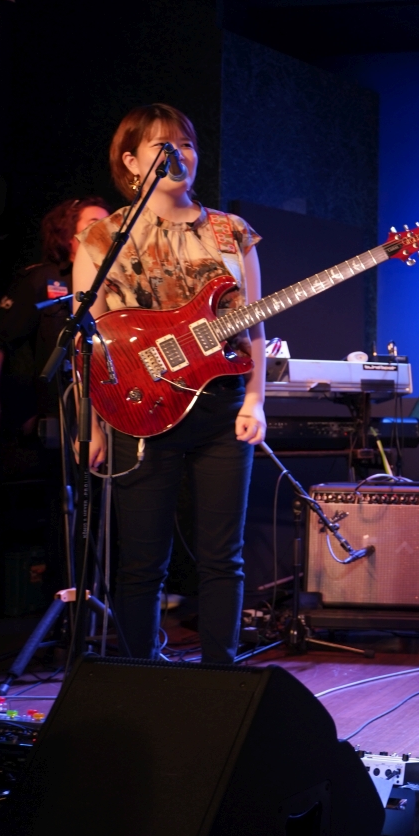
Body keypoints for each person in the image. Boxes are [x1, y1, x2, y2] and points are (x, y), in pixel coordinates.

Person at [73, 103, 266, 665]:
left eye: (185, 143)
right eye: (162, 145)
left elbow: (253, 323)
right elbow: (90, 341)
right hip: (137, 408)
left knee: (223, 558)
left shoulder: (231, 232)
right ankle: (140, 676)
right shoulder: (103, 236)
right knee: (141, 562)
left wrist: (256, 400)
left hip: (222, 407)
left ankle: (220, 675)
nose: (178, 154)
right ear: (131, 162)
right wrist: (93, 426)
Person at [0, 197, 110, 439]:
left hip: (109, 414)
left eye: (109, 223)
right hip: (52, 416)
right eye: (94, 222)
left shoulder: (120, 284)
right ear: (69, 234)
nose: (105, 229)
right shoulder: (43, 279)